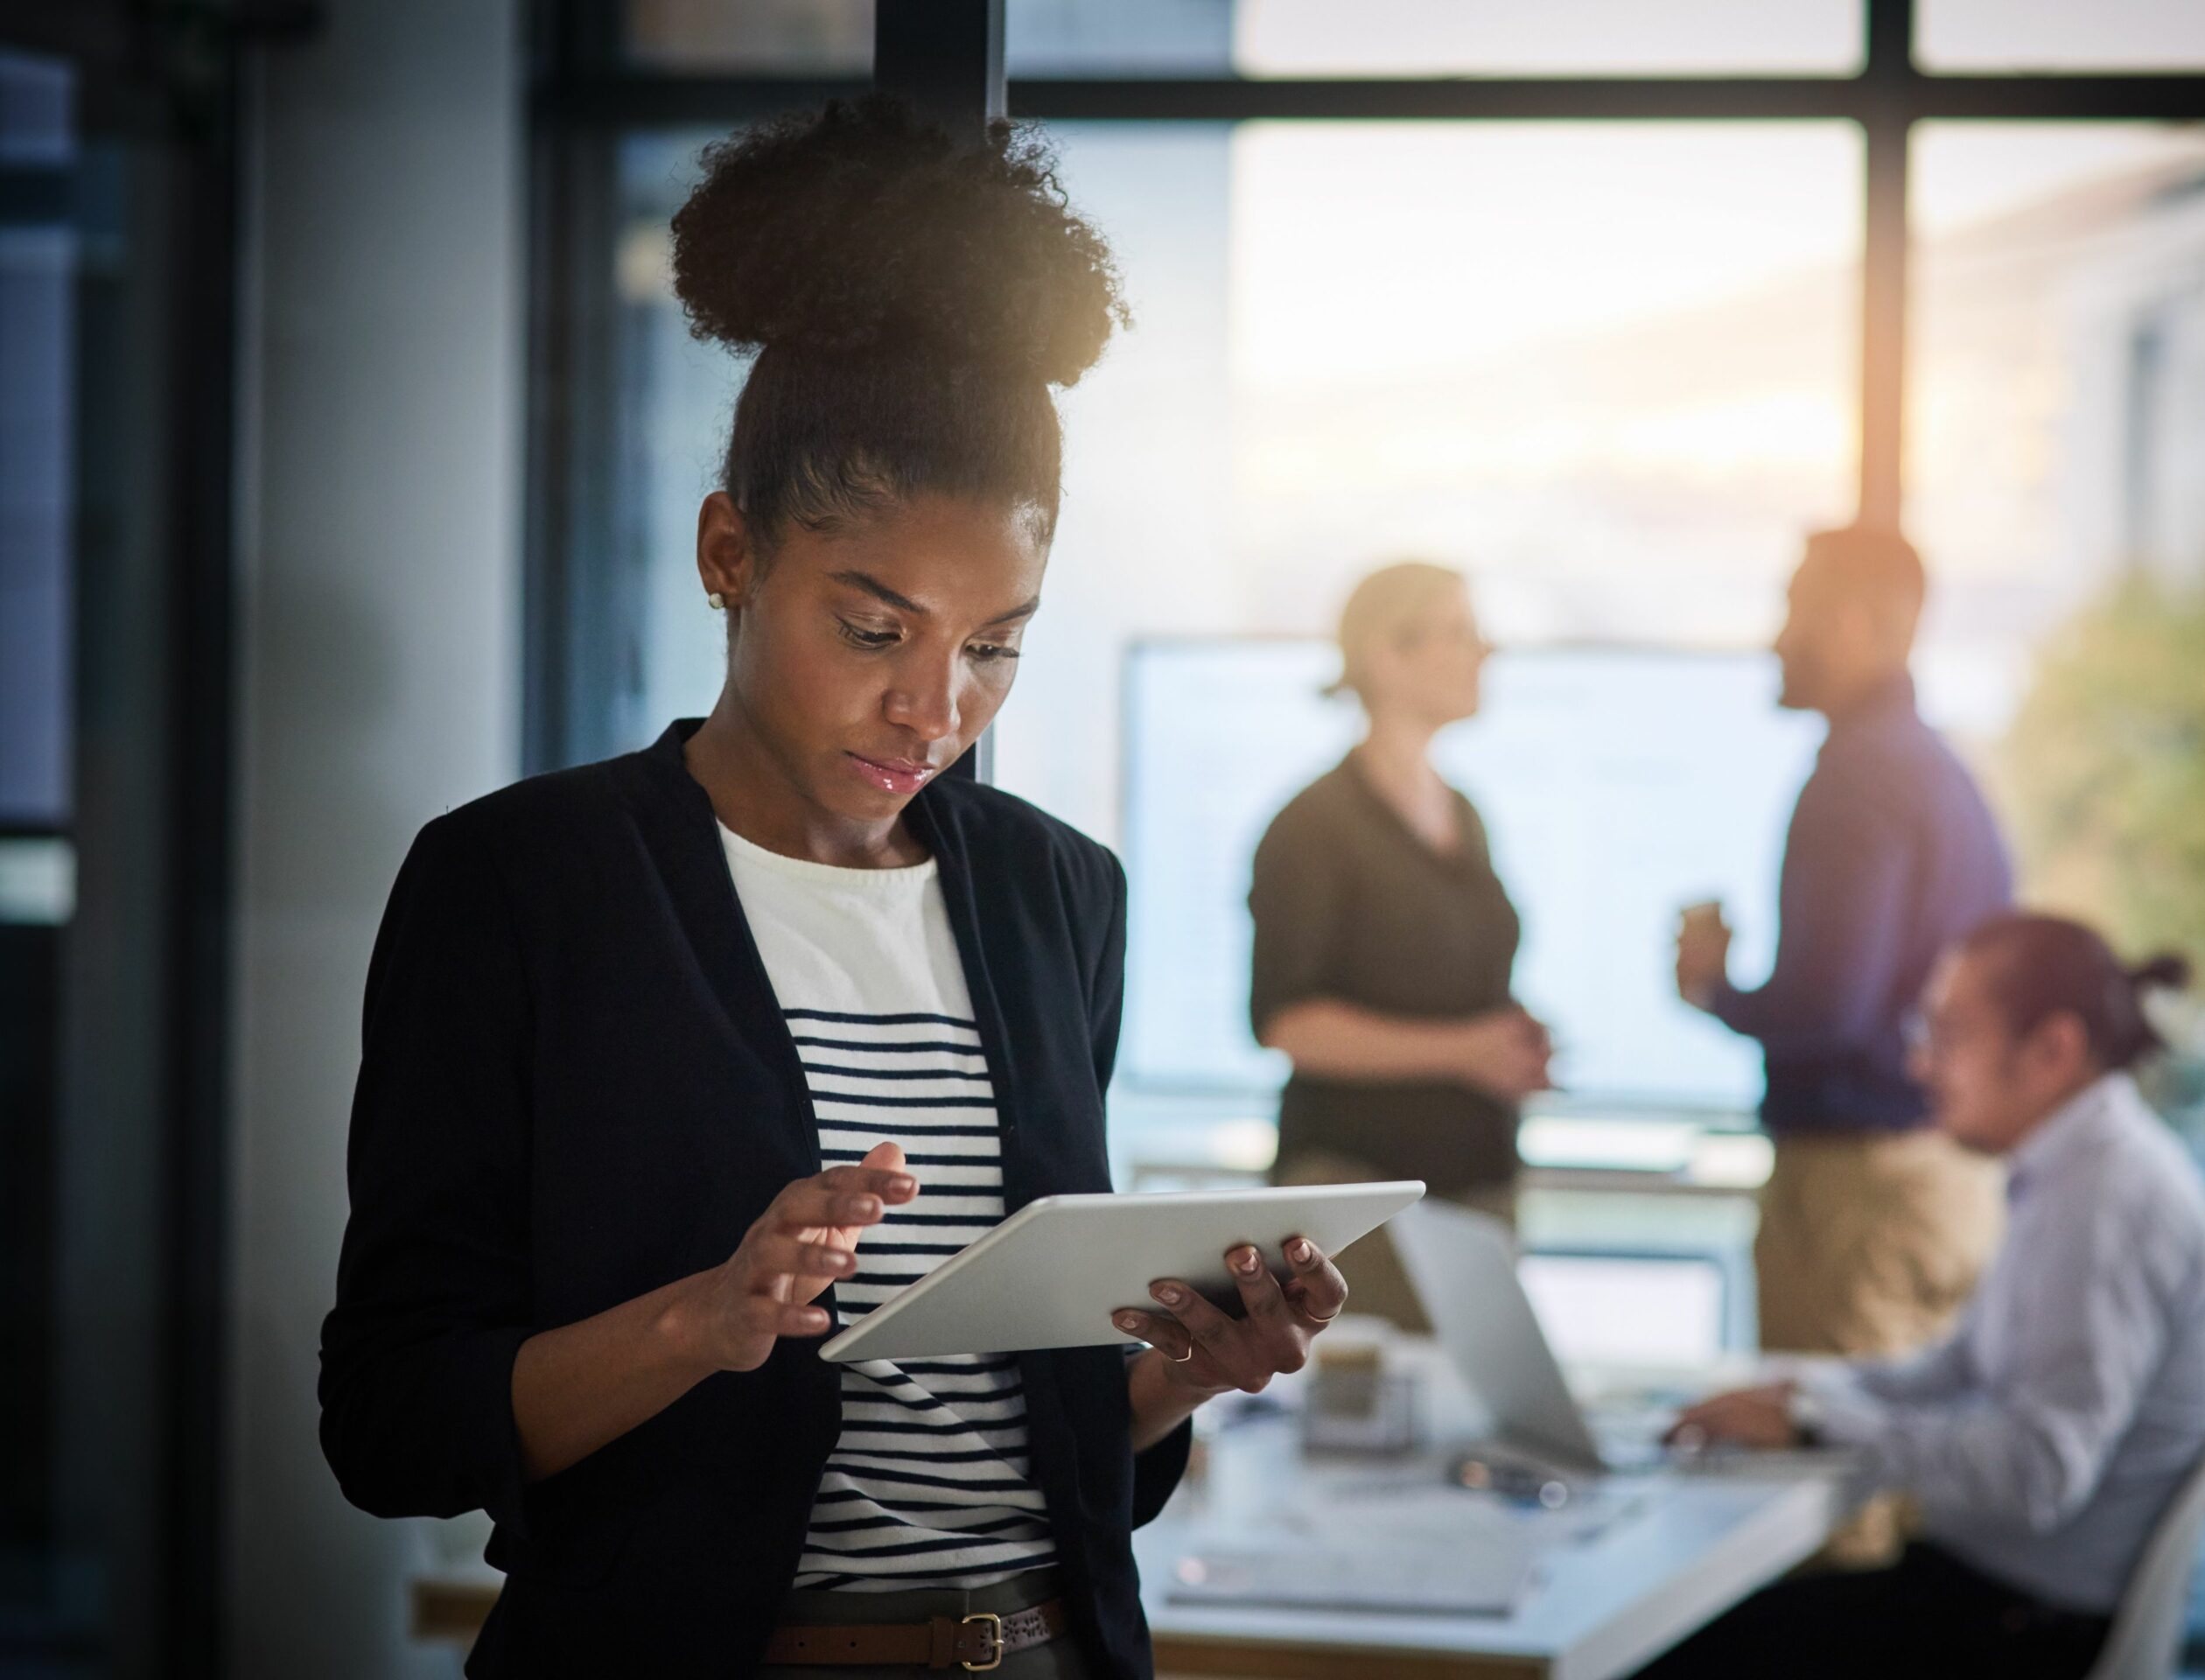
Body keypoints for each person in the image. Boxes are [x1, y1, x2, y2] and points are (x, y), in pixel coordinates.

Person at [317, 99, 1348, 1680]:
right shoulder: (523, 885)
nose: (935, 709)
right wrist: (705, 1323)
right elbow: (393, 1426)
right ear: (732, 550)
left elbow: (1048, 1441)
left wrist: (1181, 1371)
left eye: (995, 643)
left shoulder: (1057, 895)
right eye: (876, 631)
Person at [1637, 914, 2205, 1680]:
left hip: (2027, 1628)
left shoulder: (2106, 1202)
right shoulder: (2074, 1171)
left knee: (1680, 1655)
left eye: (1948, 1036)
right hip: (1999, 1595)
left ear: (2053, 1050)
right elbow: (1960, 1368)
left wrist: (1824, 1425)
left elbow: (2038, 1469)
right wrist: (1810, 1396)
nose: (1919, 1065)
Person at [1676, 524, 2011, 1362]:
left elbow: (1828, 1009)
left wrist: (1714, 985)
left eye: (1796, 609)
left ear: (1855, 623)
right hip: (1942, 1178)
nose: (1777, 638)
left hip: (1859, 1189)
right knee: (1911, 1470)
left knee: (1835, 1473)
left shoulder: (1857, 779)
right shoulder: (1941, 771)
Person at [1247, 563, 1549, 1327]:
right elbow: (1289, 1024)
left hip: (1477, 1190)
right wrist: (1464, 1050)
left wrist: (1508, 1044)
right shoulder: (1313, 826)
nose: (1485, 653)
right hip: (1361, 1203)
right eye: (1461, 633)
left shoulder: (1466, 813)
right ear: (1386, 654)